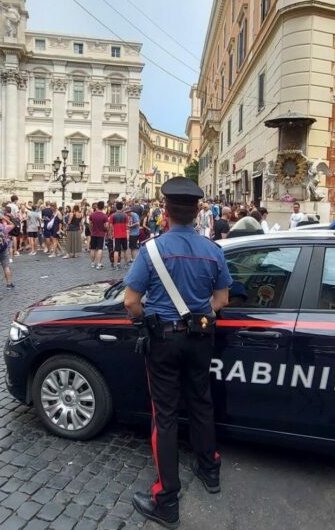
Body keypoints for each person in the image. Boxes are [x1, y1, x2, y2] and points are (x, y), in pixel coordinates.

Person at [123, 177, 232, 529]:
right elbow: (222, 300)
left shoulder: (152, 250)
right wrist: (199, 318)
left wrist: (151, 319)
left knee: (165, 416)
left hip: (164, 341)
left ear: (165, 211)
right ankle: (209, 470)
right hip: (201, 338)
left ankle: (166, 499)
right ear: (197, 212)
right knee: (201, 402)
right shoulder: (213, 250)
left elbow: (131, 301)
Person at [108, 202, 129, 270]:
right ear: (122, 207)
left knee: (116, 250)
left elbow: (111, 226)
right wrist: (127, 233)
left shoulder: (112, 215)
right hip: (124, 235)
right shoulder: (125, 215)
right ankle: (126, 264)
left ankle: (116, 265)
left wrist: (111, 234)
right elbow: (127, 226)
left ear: (116, 207)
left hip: (116, 235)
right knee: (125, 250)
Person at [88, 201, 108, 269]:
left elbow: (90, 224)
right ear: (103, 207)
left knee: (92, 249)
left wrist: (91, 231)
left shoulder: (92, 215)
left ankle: (92, 263)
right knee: (100, 249)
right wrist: (105, 230)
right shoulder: (104, 216)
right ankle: (99, 264)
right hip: (101, 234)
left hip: (93, 233)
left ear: (97, 206)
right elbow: (106, 226)